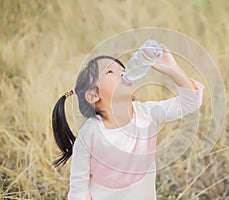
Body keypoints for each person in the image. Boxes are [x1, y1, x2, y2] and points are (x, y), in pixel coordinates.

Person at [52, 43, 204, 200]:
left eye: (122, 70)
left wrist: (173, 69)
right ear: (93, 95)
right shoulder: (90, 134)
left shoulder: (147, 115)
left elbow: (190, 103)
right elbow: (78, 191)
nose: (122, 73)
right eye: (110, 71)